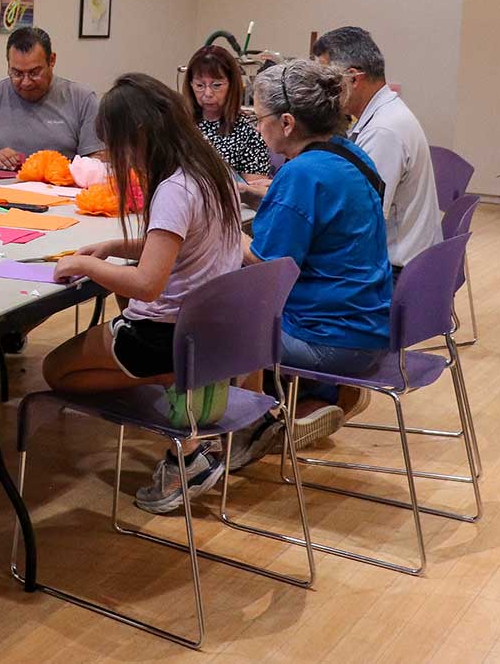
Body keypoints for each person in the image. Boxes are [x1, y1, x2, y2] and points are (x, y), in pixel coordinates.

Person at [42, 73, 243, 514]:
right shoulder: (210, 170)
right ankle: (181, 413)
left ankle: (171, 400)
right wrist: (114, 247)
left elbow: (148, 285)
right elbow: (181, 243)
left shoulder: (173, 188)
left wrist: (85, 264)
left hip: (162, 336)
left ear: (139, 137)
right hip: (205, 332)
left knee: (56, 371)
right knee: (81, 361)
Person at [237, 60, 392, 456]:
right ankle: (315, 398)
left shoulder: (301, 175)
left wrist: (218, 228)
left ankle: (249, 428)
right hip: (366, 325)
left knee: (210, 325)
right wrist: (262, 196)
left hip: (329, 339)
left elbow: (265, 266)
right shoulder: (349, 155)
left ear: (287, 123)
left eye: (259, 118)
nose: (257, 128)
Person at [312, 26, 442, 278]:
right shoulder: (385, 114)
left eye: (327, 81)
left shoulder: (383, 131)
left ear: (352, 78)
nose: (322, 92)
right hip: (408, 265)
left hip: (395, 273)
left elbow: (361, 222)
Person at [0, 27, 103, 168]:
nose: (26, 82)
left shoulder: (81, 99)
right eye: (17, 73)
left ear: (52, 61)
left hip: (58, 190)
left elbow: (98, 161)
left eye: (34, 72)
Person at [182, 45, 272, 178]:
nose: (207, 93)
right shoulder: (181, 125)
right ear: (191, 85)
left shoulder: (249, 132)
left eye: (216, 85)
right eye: (199, 85)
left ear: (232, 85)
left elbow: (254, 191)